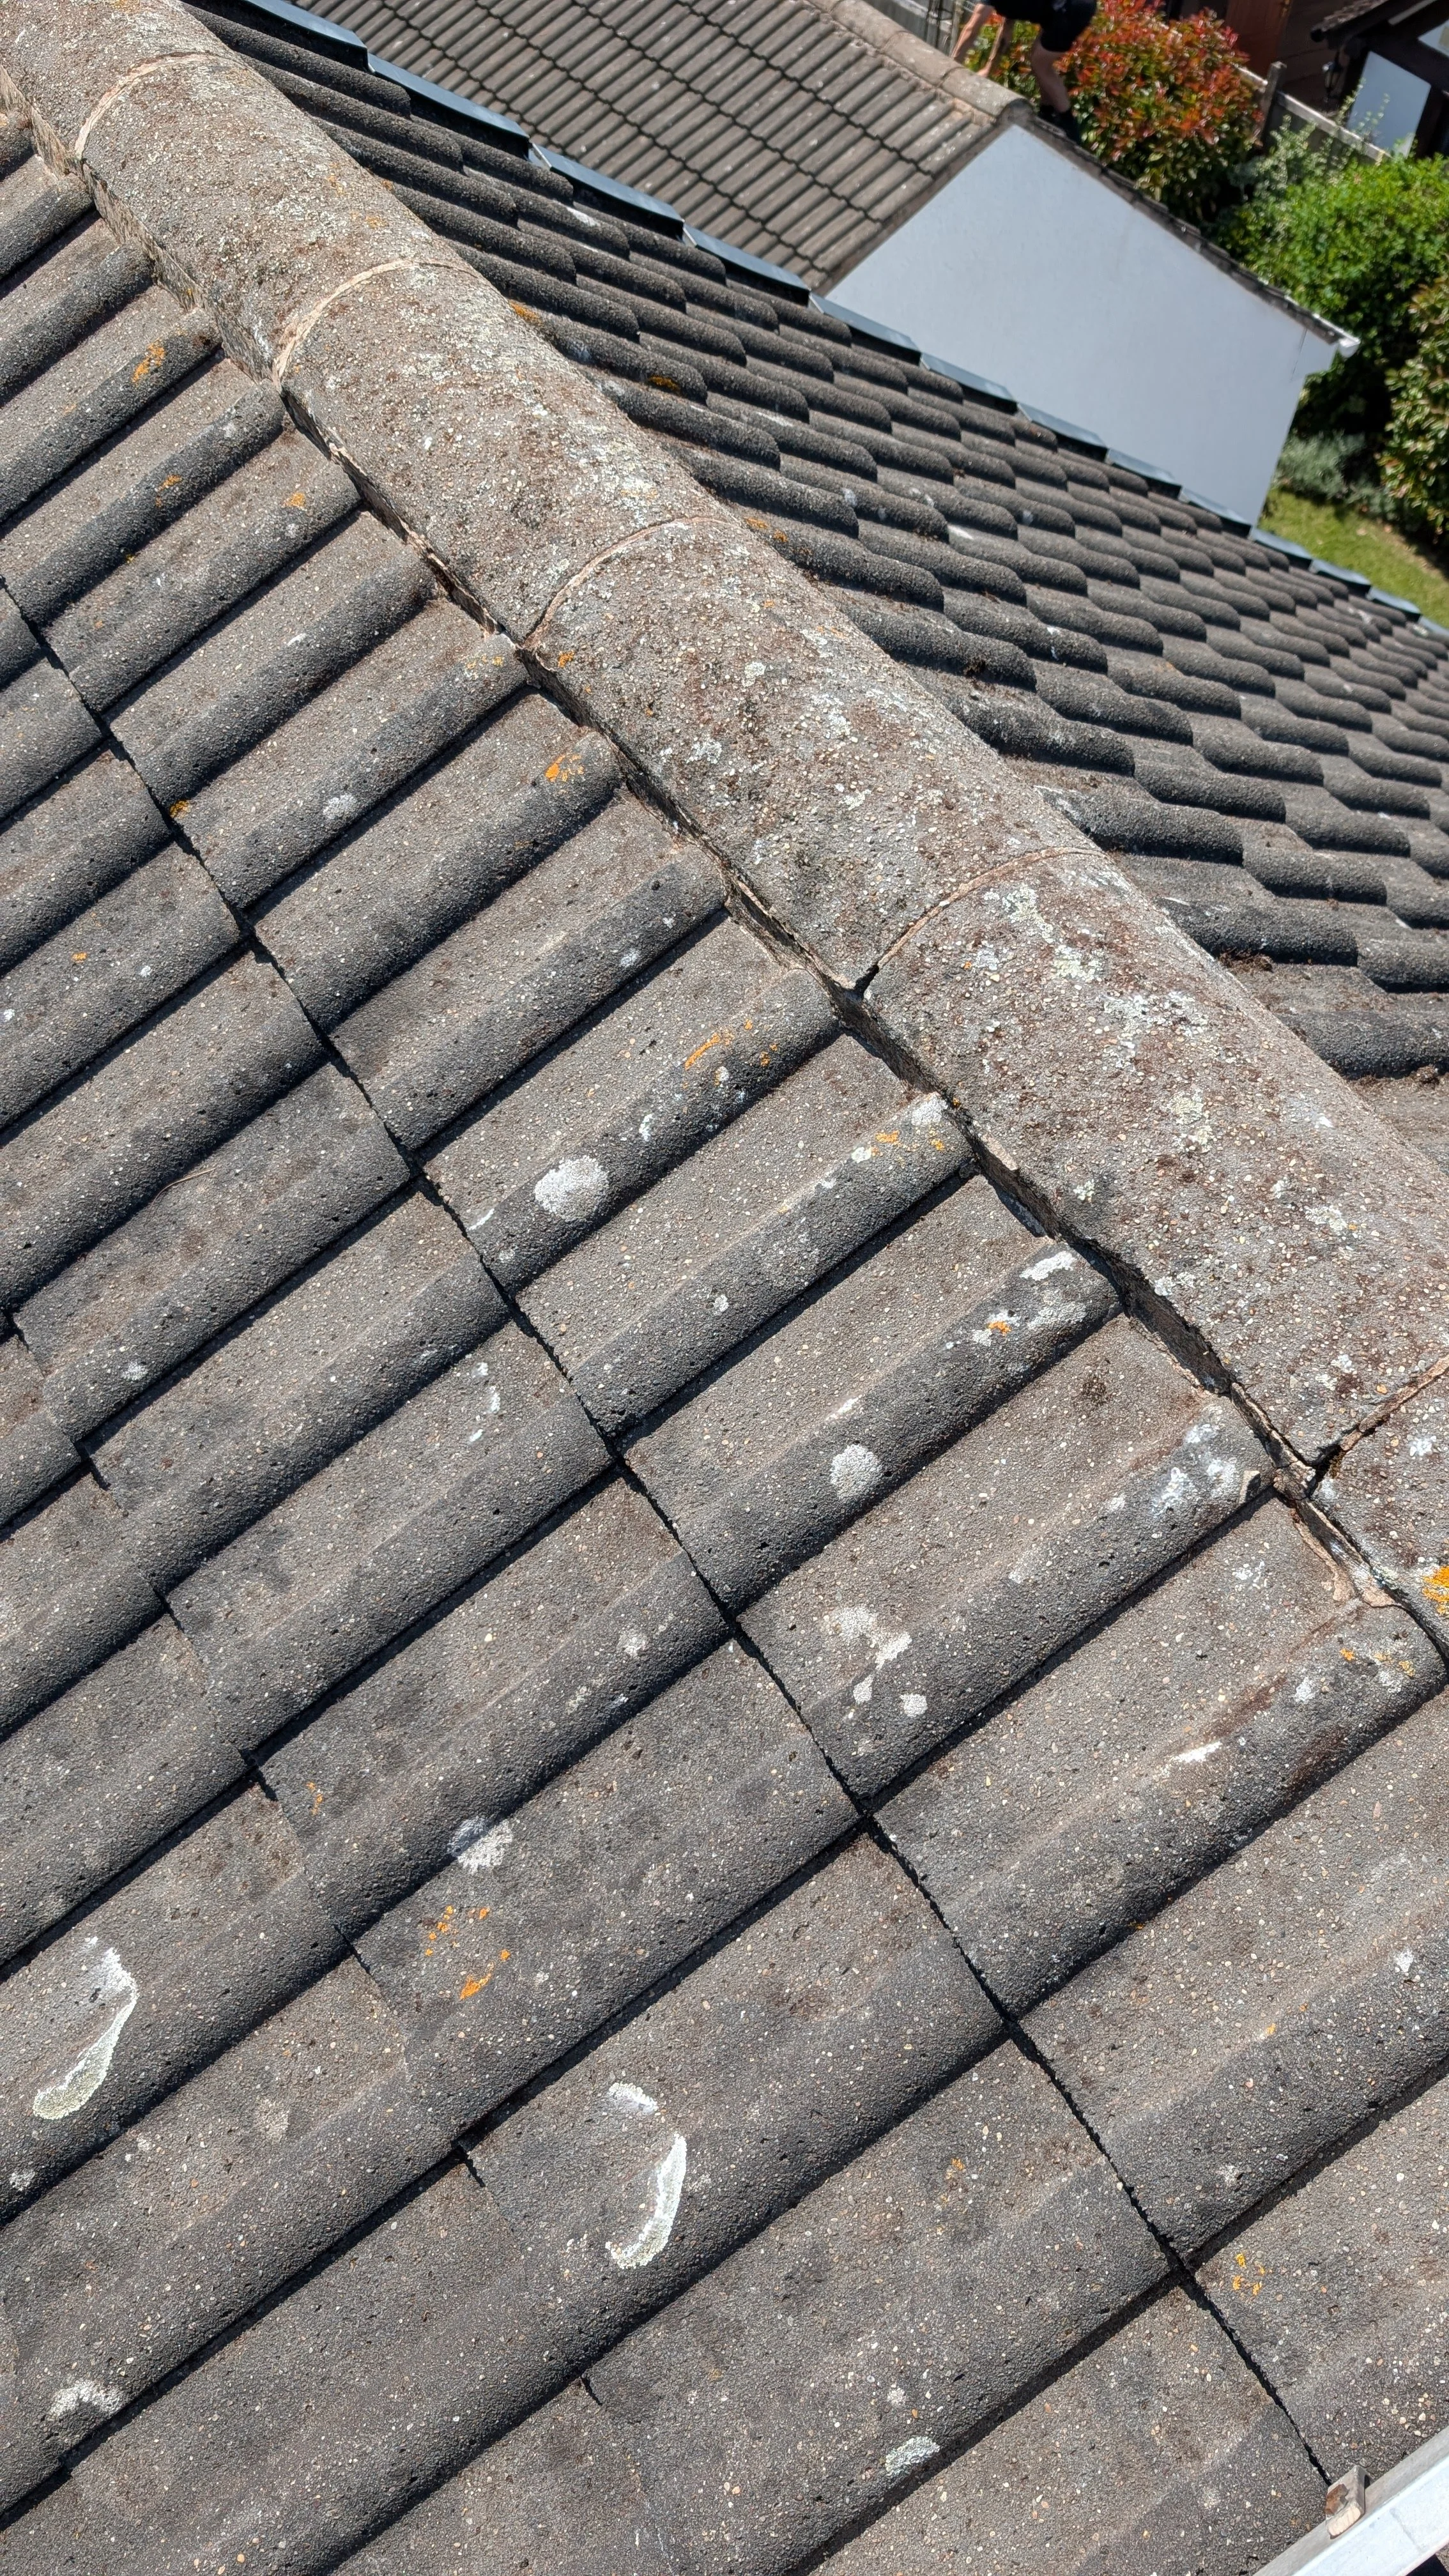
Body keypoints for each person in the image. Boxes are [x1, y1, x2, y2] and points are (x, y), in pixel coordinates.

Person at [951, 0, 1095, 139]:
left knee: (1040, 64)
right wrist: (989, 68)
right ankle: (1047, 113)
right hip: (1062, 11)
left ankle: (1070, 130)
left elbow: (972, 30)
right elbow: (1006, 31)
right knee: (1038, 58)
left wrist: (950, 68)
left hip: (1072, 9)